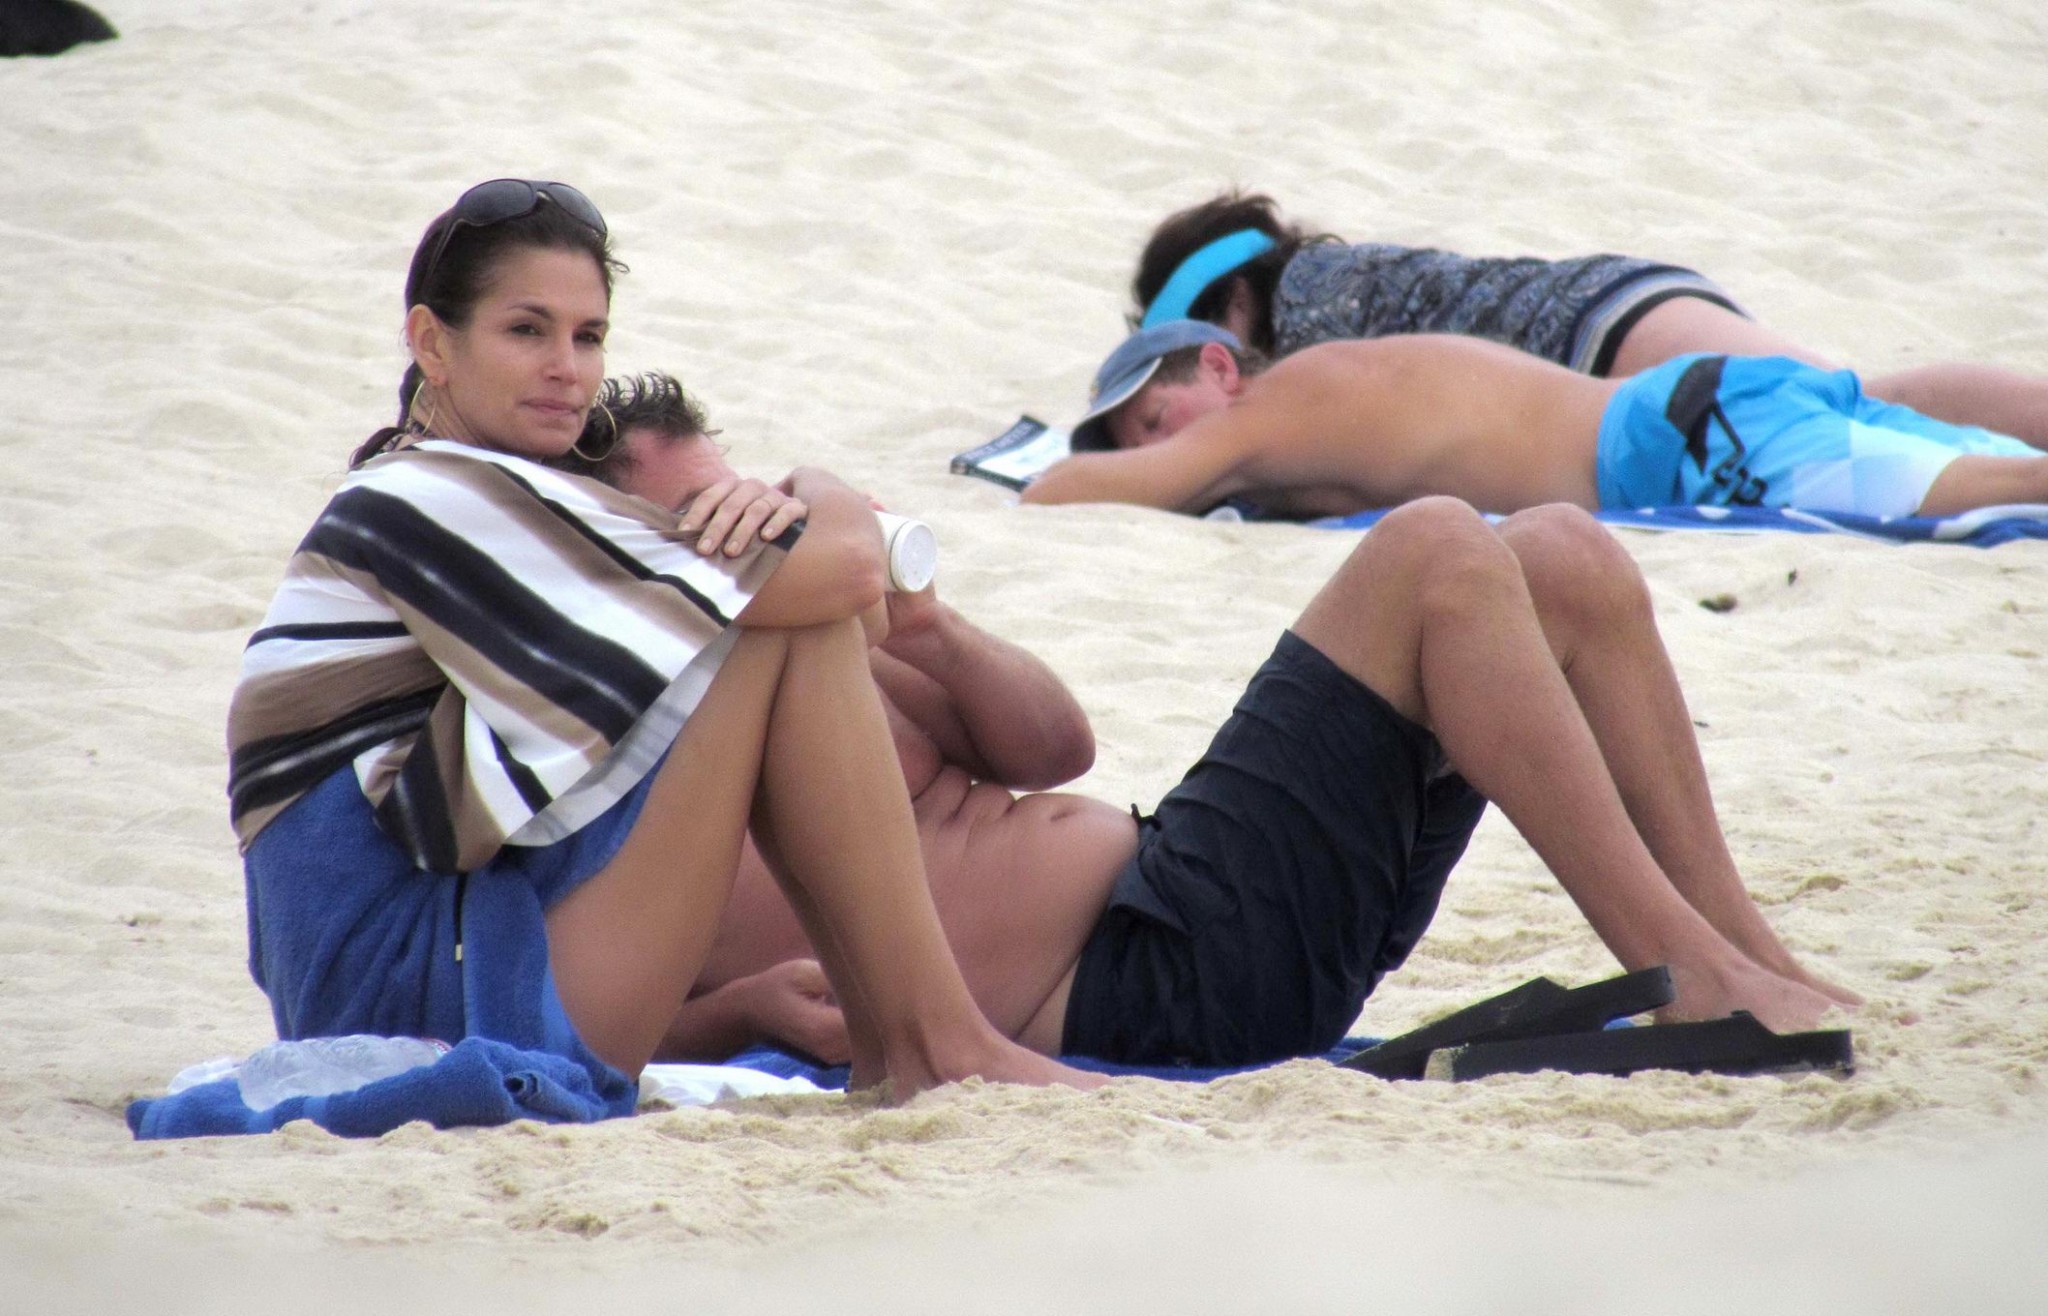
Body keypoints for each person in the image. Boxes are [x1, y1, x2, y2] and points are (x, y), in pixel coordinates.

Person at [574, 376, 1856, 1068]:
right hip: (1134, 986)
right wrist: (731, 1014)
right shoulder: (618, 749)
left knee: (1563, 555)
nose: (741, 538)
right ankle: (1680, 970)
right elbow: (570, 1007)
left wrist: (929, 624)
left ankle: (1745, 955)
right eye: (700, 523)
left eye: (735, 504)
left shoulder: (815, 644)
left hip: (1188, 893)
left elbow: (1052, 748)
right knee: (1429, 551)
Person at [226, 179, 1094, 1101]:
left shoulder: (467, 493)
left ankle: (915, 1044)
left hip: (441, 958)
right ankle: (931, 1045)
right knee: (764, 634)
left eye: (588, 335)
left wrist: (772, 544)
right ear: (433, 343)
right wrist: (814, 485)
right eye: (528, 330)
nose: (567, 366)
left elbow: (851, 607)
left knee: (762, 620)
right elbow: (848, 577)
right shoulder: (425, 498)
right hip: (422, 995)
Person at [1131, 190, 2048, 448]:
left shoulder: (1310, 296)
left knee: (1857, 402)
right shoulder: (1334, 280)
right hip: (1613, 322)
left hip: (1610, 332)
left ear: (1228, 303)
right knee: (1854, 406)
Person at [1020, 320, 2048, 523]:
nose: (1160, 446)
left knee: (1966, 490)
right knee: (1977, 462)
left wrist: (1055, 472)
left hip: (1680, 439)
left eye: (1155, 415)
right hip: (1694, 405)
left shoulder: (1281, 401)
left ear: (1215, 365)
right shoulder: (1329, 407)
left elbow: (1060, 490)